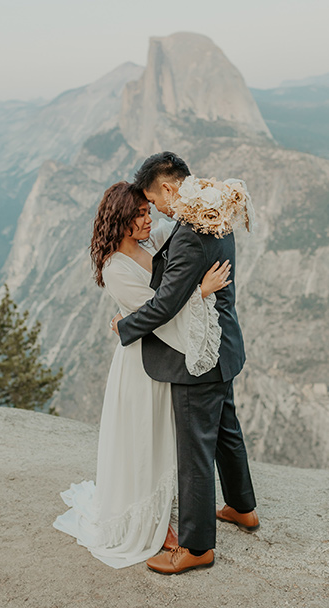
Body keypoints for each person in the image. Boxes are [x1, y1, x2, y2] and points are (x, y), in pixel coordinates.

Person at [53, 181, 230, 569]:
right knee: (142, 440)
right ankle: (151, 523)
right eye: (141, 215)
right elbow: (158, 312)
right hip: (140, 365)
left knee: (161, 439)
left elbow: (184, 225)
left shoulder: (151, 242)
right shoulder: (115, 267)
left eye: (149, 212)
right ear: (121, 221)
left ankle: (164, 513)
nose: (150, 219)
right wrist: (200, 290)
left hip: (163, 359)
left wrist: (212, 197)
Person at [112, 152, 259, 575]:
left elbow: (165, 305)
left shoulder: (192, 232)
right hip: (224, 345)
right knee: (226, 430)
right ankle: (242, 507)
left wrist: (125, 326)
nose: (155, 210)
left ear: (170, 189)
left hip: (198, 356)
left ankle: (196, 548)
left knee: (195, 448)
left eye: (154, 201)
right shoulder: (215, 211)